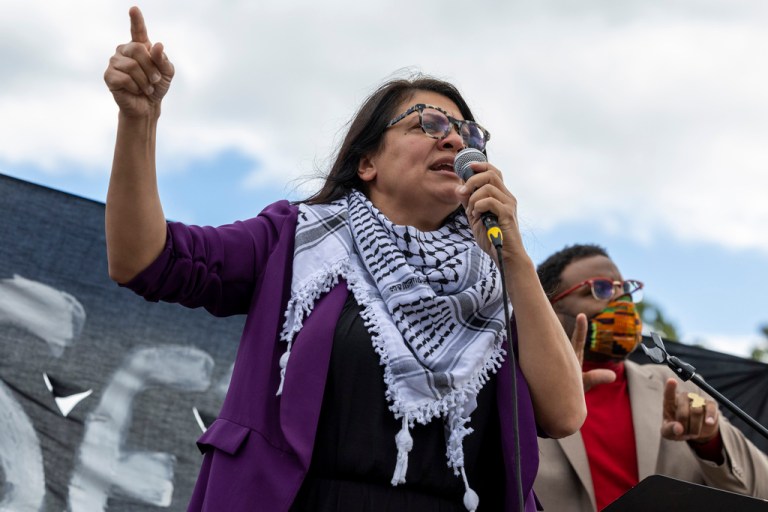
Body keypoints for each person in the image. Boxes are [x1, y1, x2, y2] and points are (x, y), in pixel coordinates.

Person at [103, 6, 586, 512]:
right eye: (429, 123)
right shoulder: (296, 240)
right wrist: (139, 120)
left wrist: (514, 258)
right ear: (367, 161)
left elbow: (565, 413)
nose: (453, 138)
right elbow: (144, 258)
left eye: (469, 133)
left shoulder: (496, 278)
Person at [533, 243, 768, 511]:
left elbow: (761, 490)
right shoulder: (521, 392)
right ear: (549, 310)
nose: (621, 301)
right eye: (600, 289)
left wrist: (710, 441)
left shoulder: (678, 384)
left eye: (625, 289)